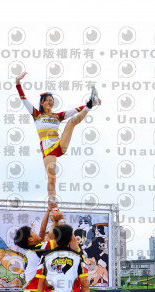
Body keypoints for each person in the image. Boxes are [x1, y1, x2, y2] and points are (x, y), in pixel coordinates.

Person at [15, 72, 101, 205]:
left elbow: (76, 110)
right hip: (48, 149)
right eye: (47, 100)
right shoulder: (36, 115)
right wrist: (18, 83)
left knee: (71, 122)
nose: (50, 102)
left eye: (51, 100)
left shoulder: (58, 116)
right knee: (52, 178)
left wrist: (90, 105)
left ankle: (90, 104)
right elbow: (24, 99)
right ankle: (52, 202)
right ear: (42, 103)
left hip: (59, 144)